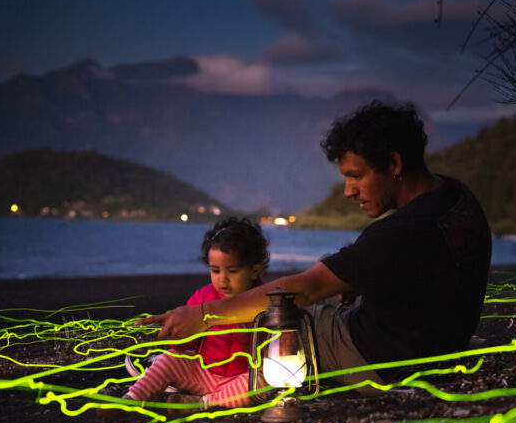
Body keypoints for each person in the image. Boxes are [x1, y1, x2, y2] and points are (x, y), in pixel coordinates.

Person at [135, 101, 492, 394]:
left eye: (356, 175)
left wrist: (202, 315)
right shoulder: (455, 196)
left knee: (279, 314)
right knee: (326, 293)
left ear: (394, 165)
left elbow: (303, 290)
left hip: (384, 366)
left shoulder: (400, 232)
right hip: (436, 354)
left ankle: (206, 381)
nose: (349, 190)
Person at [125, 217, 269, 408]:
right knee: (171, 359)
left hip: (240, 379)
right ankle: (133, 397)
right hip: (203, 372)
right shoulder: (203, 297)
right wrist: (176, 336)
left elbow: (274, 349)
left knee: (261, 383)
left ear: (255, 270)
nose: (222, 279)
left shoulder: (266, 302)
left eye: (232, 271)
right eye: (215, 270)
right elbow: (186, 344)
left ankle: (199, 403)